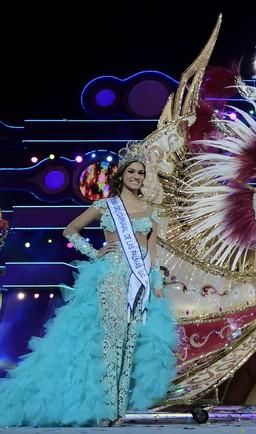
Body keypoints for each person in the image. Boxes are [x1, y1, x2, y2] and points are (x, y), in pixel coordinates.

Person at [0, 145, 178, 427]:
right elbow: (69, 230)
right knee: (110, 343)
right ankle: (108, 410)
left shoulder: (151, 212)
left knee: (129, 344)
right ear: (121, 175)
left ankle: (119, 411)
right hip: (110, 277)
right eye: (131, 171)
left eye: (141, 173)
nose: (136, 176)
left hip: (140, 279)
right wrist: (95, 252)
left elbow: (153, 255)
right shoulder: (105, 206)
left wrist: (156, 283)